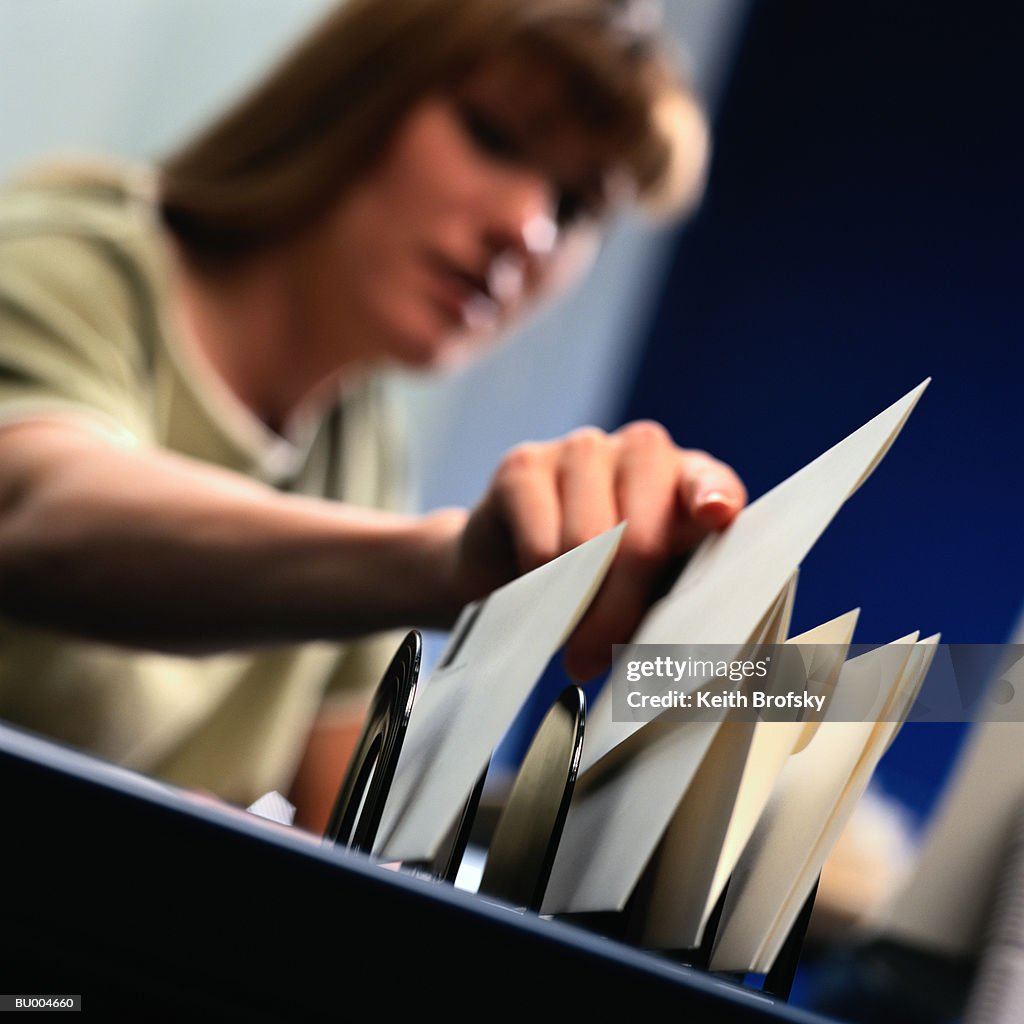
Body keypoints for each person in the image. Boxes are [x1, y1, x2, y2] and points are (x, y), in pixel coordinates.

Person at [0, 0, 745, 830]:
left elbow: (352, 827)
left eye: (573, 208)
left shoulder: (361, 449)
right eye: (492, 138)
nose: (528, 230)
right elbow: (35, 512)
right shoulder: (67, 260)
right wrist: (458, 563)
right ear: (355, 94)